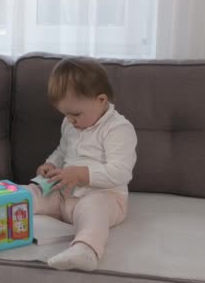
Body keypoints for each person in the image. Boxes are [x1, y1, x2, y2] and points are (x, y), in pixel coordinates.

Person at [30, 56, 137, 271]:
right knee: (31, 193)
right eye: (65, 114)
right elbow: (62, 151)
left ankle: (85, 250)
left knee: (93, 210)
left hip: (105, 196)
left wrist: (80, 175)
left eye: (76, 114)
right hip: (64, 193)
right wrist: (50, 165)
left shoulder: (118, 129)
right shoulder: (70, 123)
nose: (70, 120)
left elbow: (121, 172)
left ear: (101, 101)